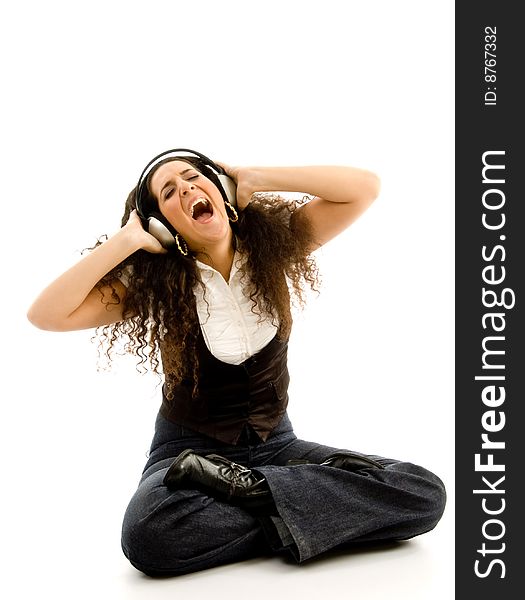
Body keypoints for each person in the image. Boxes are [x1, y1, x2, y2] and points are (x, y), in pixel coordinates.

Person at [27, 149, 446, 577]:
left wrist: (257, 177)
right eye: (168, 192)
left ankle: (261, 496)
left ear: (223, 191)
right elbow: (46, 314)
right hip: (190, 454)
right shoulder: (153, 282)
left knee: (424, 493)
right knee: (149, 534)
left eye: (193, 177)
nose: (187, 188)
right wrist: (128, 239)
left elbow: (364, 189)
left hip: (278, 446)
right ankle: (309, 511)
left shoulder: (274, 245)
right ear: (162, 226)